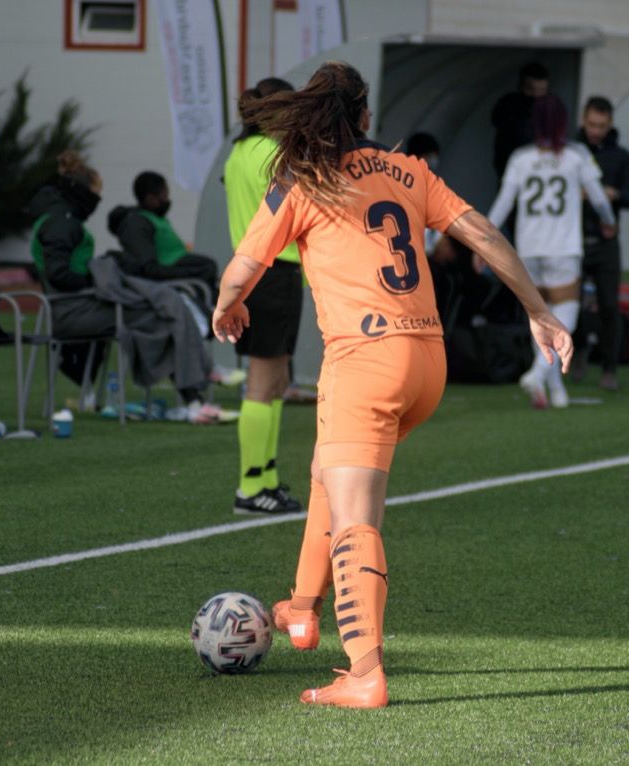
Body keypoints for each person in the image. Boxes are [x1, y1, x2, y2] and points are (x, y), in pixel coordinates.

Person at [212, 61, 573, 708]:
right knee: (327, 472)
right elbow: (483, 233)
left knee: (356, 518)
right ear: (366, 116)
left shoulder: (304, 177)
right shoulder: (409, 170)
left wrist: (227, 303)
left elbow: (246, 262)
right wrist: (539, 311)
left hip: (365, 361)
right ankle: (301, 608)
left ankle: (364, 674)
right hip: (427, 362)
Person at [29, 152, 223, 423]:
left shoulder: (57, 218)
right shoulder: (62, 223)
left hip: (77, 305)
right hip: (72, 310)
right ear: (81, 192)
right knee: (164, 314)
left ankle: (193, 396)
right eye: (95, 195)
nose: (97, 202)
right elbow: (59, 274)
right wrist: (96, 278)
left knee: (163, 310)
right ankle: (193, 397)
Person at [487, 94, 616, 409]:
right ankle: (538, 371)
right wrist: (609, 222)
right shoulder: (576, 155)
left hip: (528, 248)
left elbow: (503, 203)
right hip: (563, 247)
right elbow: (600, 199)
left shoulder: (520, 158)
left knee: (540, 316)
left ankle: (555, 390)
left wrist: (484, 240)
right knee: (566, 313)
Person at [223, 77, 304, 516]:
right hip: (275, 272)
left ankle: (265, 478)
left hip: (255, 271)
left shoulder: (238, 152)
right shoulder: (273, 153)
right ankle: (251, 486)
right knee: (263, 381)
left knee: (274, 381)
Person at [573, 96, 629, 392]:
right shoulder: (571, 152)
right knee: (570, 305)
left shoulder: (621, 156)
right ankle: (576, 351)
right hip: (573, 240)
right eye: (591, 124)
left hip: (605, 242)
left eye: (601, 126)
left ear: (610, 123)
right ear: (583, 120)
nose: (595, 131)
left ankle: (609, 367)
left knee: (609, 306)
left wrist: (614, 195)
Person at [107, 172, 220, 303]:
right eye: (164, 195)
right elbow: (149, 269)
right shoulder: (137, 224)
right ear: (150, 198)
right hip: (165, 273)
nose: (167, 199)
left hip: (176, 263)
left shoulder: (155, 217)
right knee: (207, 267)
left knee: (208, 267)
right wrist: (194, 272)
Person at [491, 61, 549, 180]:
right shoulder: (509, 105)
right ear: (521, 86)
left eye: (541, 90)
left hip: (541, 172)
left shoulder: (550, 109)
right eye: (531, 89)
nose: (536, 94)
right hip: (510, 170)